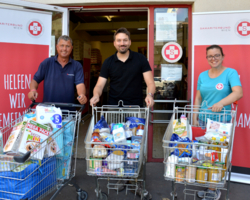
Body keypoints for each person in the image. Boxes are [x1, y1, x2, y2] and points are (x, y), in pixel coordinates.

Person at [90, 27, 155, 199]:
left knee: (136, 147)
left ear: (130, 42)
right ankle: (122, 177)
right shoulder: (109, 62)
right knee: (117, 145)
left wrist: (149, 95)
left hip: (135, 111)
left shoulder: (140, 59)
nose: (122, 43)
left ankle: (138, 182)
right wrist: (96, 95)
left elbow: (150, 82)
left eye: (125, 40)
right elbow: (100, 84)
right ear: (114, 43)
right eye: (119, 40)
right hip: (114, 110)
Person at [193, 45, 243, 200]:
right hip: (203, 120)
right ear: (206, 58)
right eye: (210, 56)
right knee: (204, 154)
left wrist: (221, 103)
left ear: (222, 56)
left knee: (217, 156)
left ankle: (214, 189)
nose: (213, 59)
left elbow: (238, 92)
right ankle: (210, 186)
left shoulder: (230, 73)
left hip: (221, 122)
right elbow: (198, 98)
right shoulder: (202, 75)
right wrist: (194, 116)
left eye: (216, 55)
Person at [28, 35, 87, 106]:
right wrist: (33, 90)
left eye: (67, 46)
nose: (64, 49)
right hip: (49, 109)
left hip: (69, 110)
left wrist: (82, 95)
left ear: (72, 48)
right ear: (57, 47)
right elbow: (35, 80)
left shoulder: (77, 66)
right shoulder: (47, 63)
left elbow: (80, 84)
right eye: (62, 45)